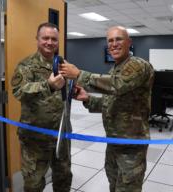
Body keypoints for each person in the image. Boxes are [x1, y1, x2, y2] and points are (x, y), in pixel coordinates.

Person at [59, 26, 154, 192]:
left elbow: (118, 85)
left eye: (119, 39)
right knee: (113, 185)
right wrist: (87, 98)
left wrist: (78, 74)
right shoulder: (115, 70)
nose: (114, 44)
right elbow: (108, 104)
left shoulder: (139, 66)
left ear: (129, 42)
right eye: (110, 40)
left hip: (131, 146)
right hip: (113, 143)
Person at [11, 22, 72, 192]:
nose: (49, 42)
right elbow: (19, 92)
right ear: (37, 40)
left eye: (54, 39)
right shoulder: (26, 65)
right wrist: (48, 85)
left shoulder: (62, 65)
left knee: (64, 177)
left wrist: (74, 90)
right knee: (34, 183)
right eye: (45, 38)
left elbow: (65, 93)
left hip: (61, 134)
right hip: (35, 138)